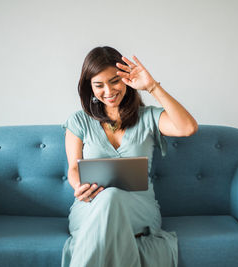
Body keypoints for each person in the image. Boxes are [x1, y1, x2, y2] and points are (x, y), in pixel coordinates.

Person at [61, 46, 198, 267]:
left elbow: (188, 128)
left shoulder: (148, 118)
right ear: (90, 88)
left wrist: (152, 87)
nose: (108, 90)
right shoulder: (79, 121)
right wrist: (79, 186)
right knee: (108, 197)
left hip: (138, 209)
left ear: (126, 80)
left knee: (112, 196)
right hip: (90, 207)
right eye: (99, 85)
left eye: (115, 81)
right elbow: (74, 169)